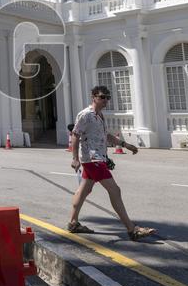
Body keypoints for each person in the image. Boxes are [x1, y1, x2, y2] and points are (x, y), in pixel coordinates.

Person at [67, 85, 156, 241]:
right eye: (102, 97)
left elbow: (105, 135)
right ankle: (132, 229)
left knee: (84, 191)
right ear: (93, 97)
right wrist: (74, 158)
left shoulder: (99, 115)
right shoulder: (86, 115)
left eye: (107, 97)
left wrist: (125, 144)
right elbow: (75, 135)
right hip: (92, 159)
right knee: (115, 190)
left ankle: (73, 223)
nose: (105, 100)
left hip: (97, 158)